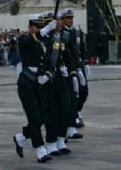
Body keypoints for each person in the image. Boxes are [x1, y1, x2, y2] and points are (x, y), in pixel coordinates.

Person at [12, 14, 57, 164]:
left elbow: (51, 62)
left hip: (40, 83)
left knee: (43, 116)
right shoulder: (24, 38)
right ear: (30, 27)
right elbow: (27, 41)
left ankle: (22, 136)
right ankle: (40, 150)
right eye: (37, 26)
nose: (39, 29)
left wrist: (48, 75)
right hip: (27, 84)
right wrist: (44, 30)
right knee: (34, 117)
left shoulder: (44, 42)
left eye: (41, 26)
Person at [43, 11, 73, 157]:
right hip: (48, 79)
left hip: (60, 77)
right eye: (57, 21)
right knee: (52, 113)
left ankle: (61, 139)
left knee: (66, 108)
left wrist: (73, 70)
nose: (60, 23)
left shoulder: (61, 37)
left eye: (61, 20)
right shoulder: (44, 37)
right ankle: (51, 143)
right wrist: (47, 30)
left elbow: (67, 54)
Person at [60, 9, 86, 138]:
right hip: (68, 68)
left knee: (82, 93)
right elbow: (67, 53)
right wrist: (72, 69)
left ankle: (74, 119)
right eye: (68, 18)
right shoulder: (62, 33)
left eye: (71, 18)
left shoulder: (75, 32)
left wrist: (83, 63)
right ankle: (70, 126)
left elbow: (79, 49)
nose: (70, 20)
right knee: (69, 99)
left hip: (76, 65)